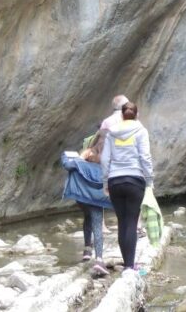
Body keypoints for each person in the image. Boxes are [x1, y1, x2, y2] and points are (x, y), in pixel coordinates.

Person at [101, 101, 154, 272]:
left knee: (122, 221)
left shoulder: (111, 133)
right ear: (136, 115)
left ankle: (127, 264)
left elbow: (105, 159)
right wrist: (149, 180)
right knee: (131, 221)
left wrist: (105, 181)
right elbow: (145, 157)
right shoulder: (141, 131)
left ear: (122, 115)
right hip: (135, 180)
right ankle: (130, 266)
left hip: (115, 181)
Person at [61, 142, 112, 277]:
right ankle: (99, 259)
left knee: (87, 217)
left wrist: (81, 157)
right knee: (97, 225)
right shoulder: (104, 169)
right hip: (97, 199)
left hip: (82, 199)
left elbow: (66, 164)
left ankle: (87, 251)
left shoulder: (79, 164)